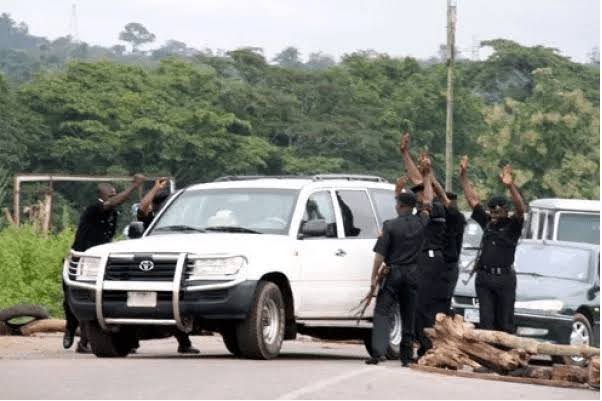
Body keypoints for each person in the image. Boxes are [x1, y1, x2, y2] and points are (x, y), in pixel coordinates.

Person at [63, 174, 145, 352]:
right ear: (102, 195)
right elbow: (111, 203)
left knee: (98, 298)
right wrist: (133, 187)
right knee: (73, 298)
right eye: (111, 194)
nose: (114, 197)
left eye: (115, 193)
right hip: (82, 258)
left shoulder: (113, 213)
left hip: (100, 260)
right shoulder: (94, 208)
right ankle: (70, 329)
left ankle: (87, 342)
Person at [366, 154, 434, 367]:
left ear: (401, 205)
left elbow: (380, 256)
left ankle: (378, 352)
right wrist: (427, 176)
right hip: (413, 274)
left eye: (397, 202)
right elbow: (429, 201)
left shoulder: (390, 226)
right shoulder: (421, 222)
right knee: (408, 313)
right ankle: (406, 357)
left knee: (382, 311)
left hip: (394, 274)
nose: (395, 205)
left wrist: (373, 280)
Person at [459, 156, 525, 333]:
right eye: (491, 211)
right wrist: (463, 176)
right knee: (486, 323)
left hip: (505, 279)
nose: (494, 215)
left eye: (497, 211)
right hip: (485, 278)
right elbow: (473, 200)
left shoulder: (513, 225)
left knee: (505, 323)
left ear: (505, 210)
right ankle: (488, 359)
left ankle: (505, 358)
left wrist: (510, 186)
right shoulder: (488, 222)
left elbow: (520, 208)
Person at [134, 178, 200, 354]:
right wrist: (155, 189)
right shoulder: (152, 219)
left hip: (169, 268)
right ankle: (131, 342)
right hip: (147, 267)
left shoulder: (179, 219)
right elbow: (142, 207)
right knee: (138, 303)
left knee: (171, 305)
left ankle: (184, 342)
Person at [398, 133, 448, 357]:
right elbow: (416, 177)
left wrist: (428, 175)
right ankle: (421, 344)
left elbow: (426, 194)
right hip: (418, 260)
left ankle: (428, 347)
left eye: (420, 191)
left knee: (425, 305)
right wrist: (405, 154)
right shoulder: (420, 207)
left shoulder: (436, 207)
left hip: (430, 260)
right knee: (415, 305)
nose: (417, 194)